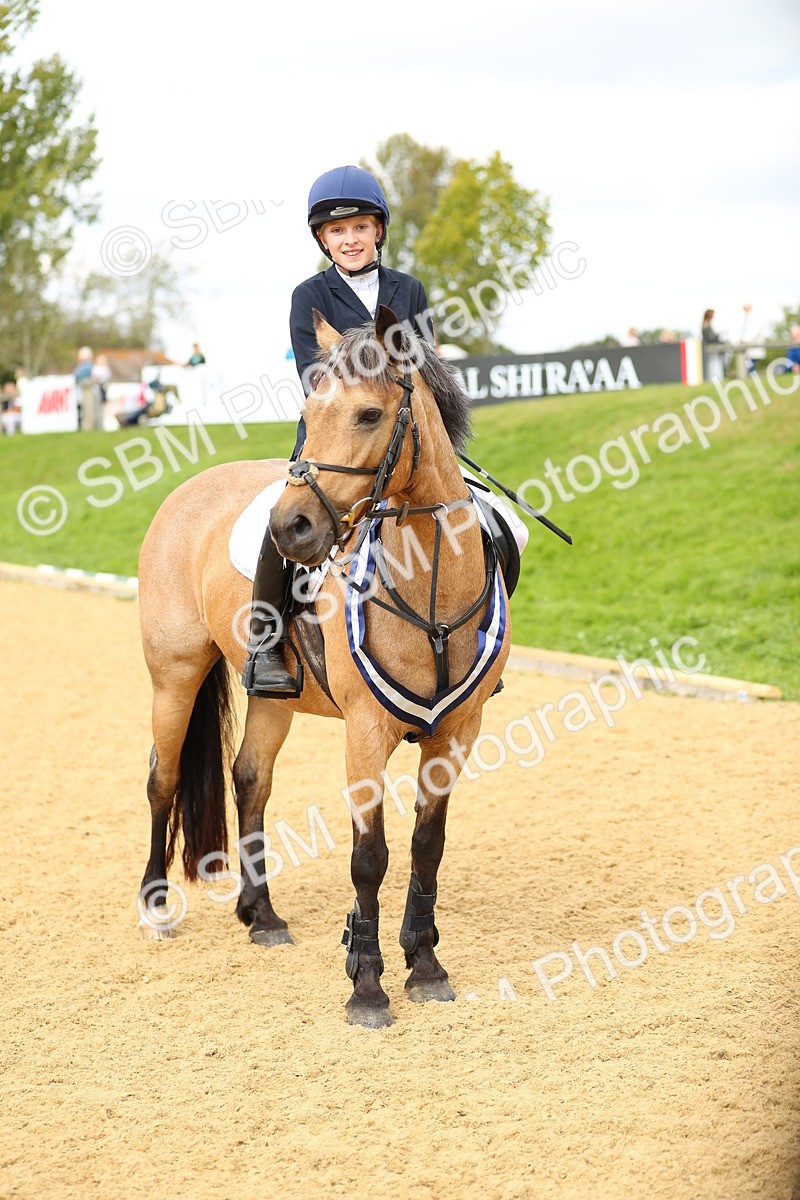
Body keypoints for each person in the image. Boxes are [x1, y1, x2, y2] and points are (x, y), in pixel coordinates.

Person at [241, 164, 435, 698]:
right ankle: (263, 648)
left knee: (485, 521)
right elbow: (317, 377)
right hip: (333, 438)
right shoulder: (309, 296)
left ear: (379, 231)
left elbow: (428, 369)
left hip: (405, 439)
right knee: (280, 525)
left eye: (359, 228)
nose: (350, 239)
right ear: (322, 238)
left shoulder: (409, 290)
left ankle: (477, 646)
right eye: (337, 231)